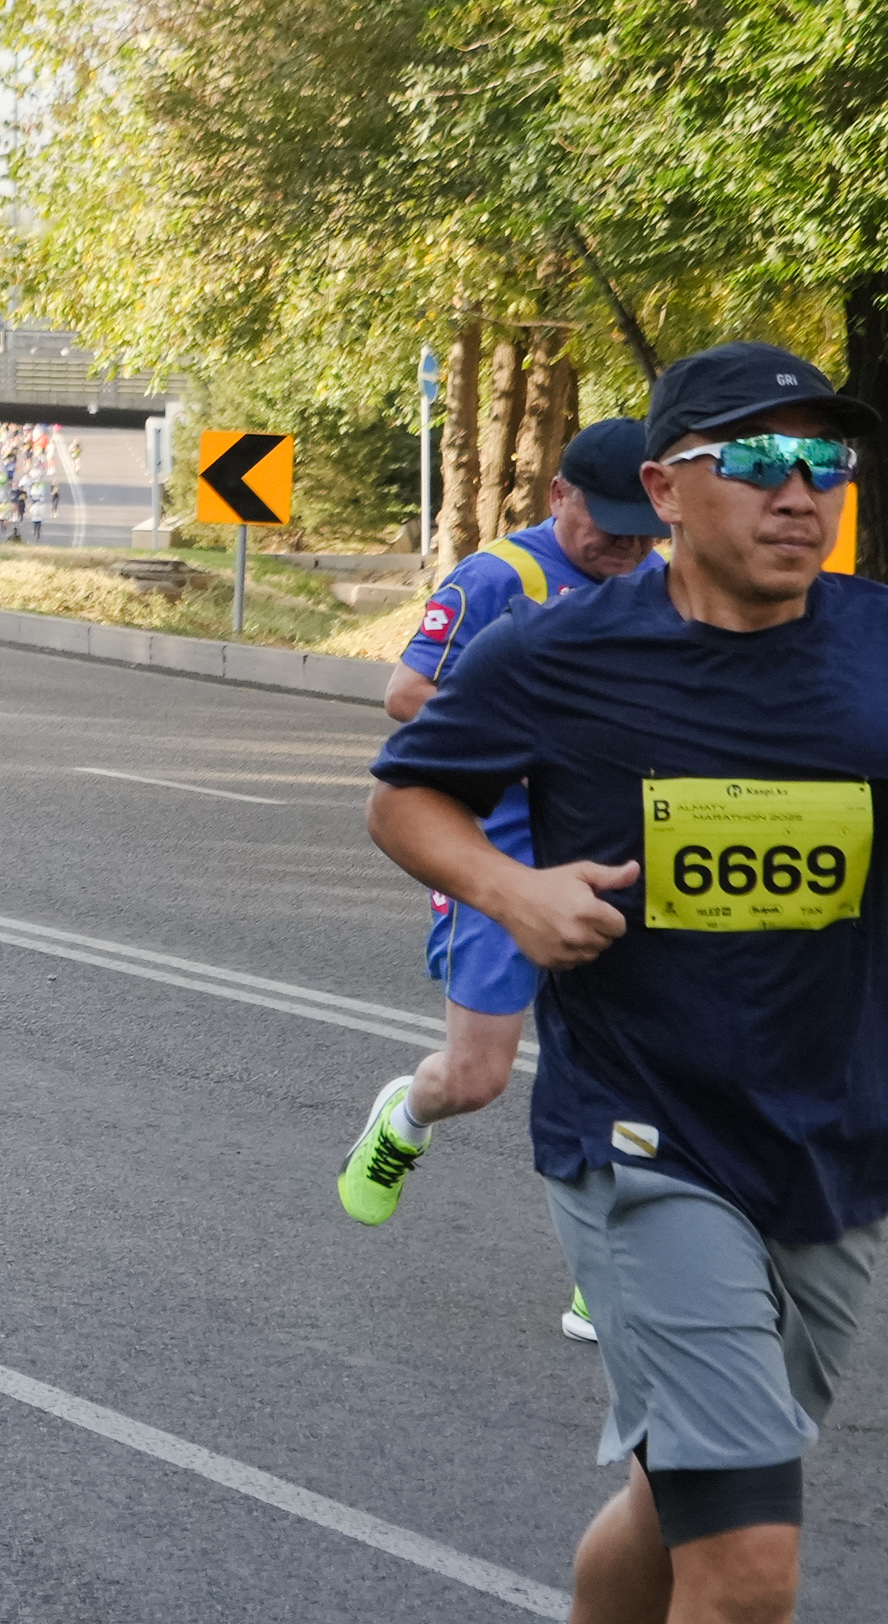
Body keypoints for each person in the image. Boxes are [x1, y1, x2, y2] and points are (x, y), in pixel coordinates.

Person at [366, 342, 884, 1624]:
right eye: (757, 457)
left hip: (835, 1135)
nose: (799, 490)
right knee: (747, 1562)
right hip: (646, 1135)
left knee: (682, 1498)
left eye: (825, 459)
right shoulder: (556, 652)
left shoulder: (879, 643)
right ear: (664, 488)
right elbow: (408, 796)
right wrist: (512, 890)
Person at [338, 417, 669, 1352]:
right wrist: (541, 738)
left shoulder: (661, 585)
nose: (626, 548)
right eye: (608, 525)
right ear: (559, 495)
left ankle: (609, 1273)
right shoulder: (501, 578)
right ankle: (405, 1117)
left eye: (644, 531)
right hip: (500, 855)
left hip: (620, 857)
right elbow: (406, 693)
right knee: (478, 1078)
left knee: (645, 1066)